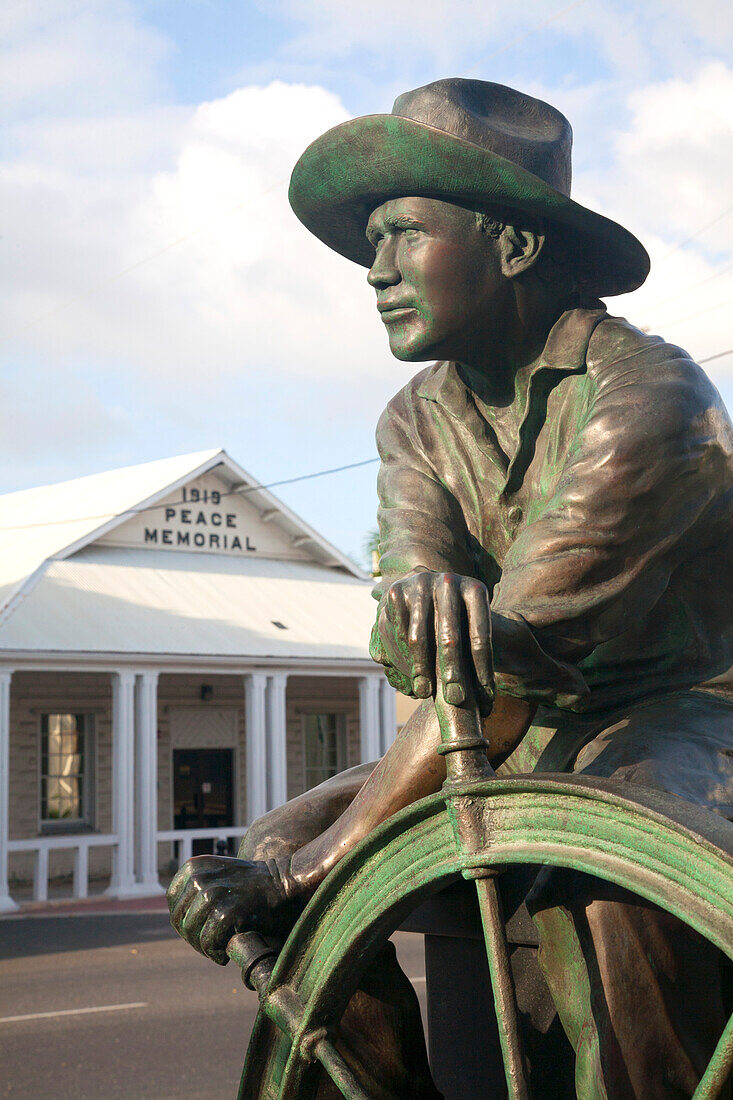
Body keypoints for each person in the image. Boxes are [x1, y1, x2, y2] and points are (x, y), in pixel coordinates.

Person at [168, 79, 733, 1097]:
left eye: (402, 234)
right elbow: (417, 620)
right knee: (271, 849)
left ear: (512, 245)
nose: (373, 271)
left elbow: (503, 663)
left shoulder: (648, 397)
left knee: (603, 866)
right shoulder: (414, 419)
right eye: (369, 244)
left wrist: (320, 860)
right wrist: (417, 597)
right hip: (509, 721)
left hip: (682, 716)